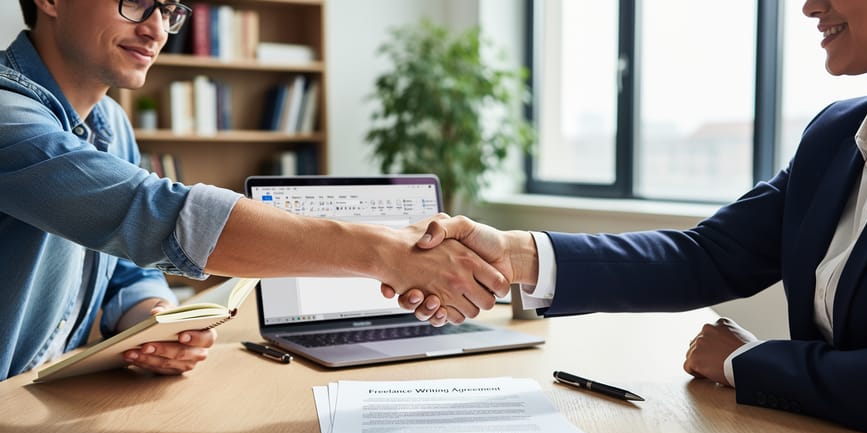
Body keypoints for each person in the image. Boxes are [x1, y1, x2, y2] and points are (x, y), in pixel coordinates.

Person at [386, 0, 867, 433]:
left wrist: (746, 361)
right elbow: (704, 256)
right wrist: (516, 254)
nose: (809, 5)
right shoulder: (834, 135)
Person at [0, 0, 507, 381]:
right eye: (134, 1)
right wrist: (388, 252)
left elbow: (126, 270)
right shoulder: (9, 116)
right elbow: (151, 215)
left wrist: (154, 320)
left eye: (170, 10)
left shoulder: (110, 121)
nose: (156, 28)